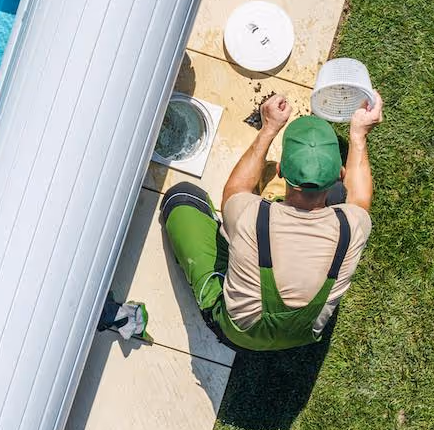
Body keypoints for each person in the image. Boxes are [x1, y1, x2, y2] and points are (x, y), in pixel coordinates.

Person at [159, 92, 384, 351]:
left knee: (183, 197)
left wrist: (269, 129)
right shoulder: (352, 227)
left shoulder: (250, 216)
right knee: (339, 197)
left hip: (239, 333)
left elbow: (237, 188)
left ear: (280, 171)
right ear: (341, 173)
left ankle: (213, 306)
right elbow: (360, 196)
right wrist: (358, 135)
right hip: (304, 333)